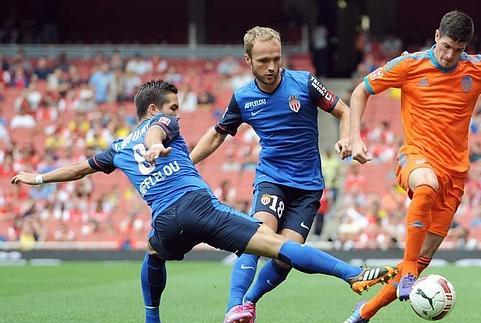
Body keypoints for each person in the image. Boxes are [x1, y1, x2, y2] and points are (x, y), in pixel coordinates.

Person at [10, 80, 395, 323]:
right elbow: (157, 133)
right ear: (153, 108)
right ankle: (351, 274)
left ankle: (152, 318)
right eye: (174, 107)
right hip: (198, 207)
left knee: (153, 255)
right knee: (278, 245)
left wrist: (39, 176)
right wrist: (157, 144)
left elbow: (81, 167)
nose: (179, 114)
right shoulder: (163, 124)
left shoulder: (115, 148)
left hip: (165, 222)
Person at [344, 10, 481, 322]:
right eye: (445, 46)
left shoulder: (478, 69)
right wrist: (354, 136)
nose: (449, 55)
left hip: (455, 173)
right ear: (435, 36)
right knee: (426, 185)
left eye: (458, 50)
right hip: (415, 157)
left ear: (466, 47)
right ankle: (406, 277)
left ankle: (364, 313)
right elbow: (362, 89)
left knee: (421, 261)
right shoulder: (409, 64)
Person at [189, 26, 362, 323]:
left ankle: (248, 303)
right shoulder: (243, 98)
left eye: (276, 59)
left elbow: (344, 111)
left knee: (285, 258)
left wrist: (348, 137)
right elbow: (218, 135)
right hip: (272, 178)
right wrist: (188, 162)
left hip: (308, 186)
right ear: (248, 60)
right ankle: (234, 307)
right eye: (263, 61)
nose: (271, 67)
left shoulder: (305, 83)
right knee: (257, 237)